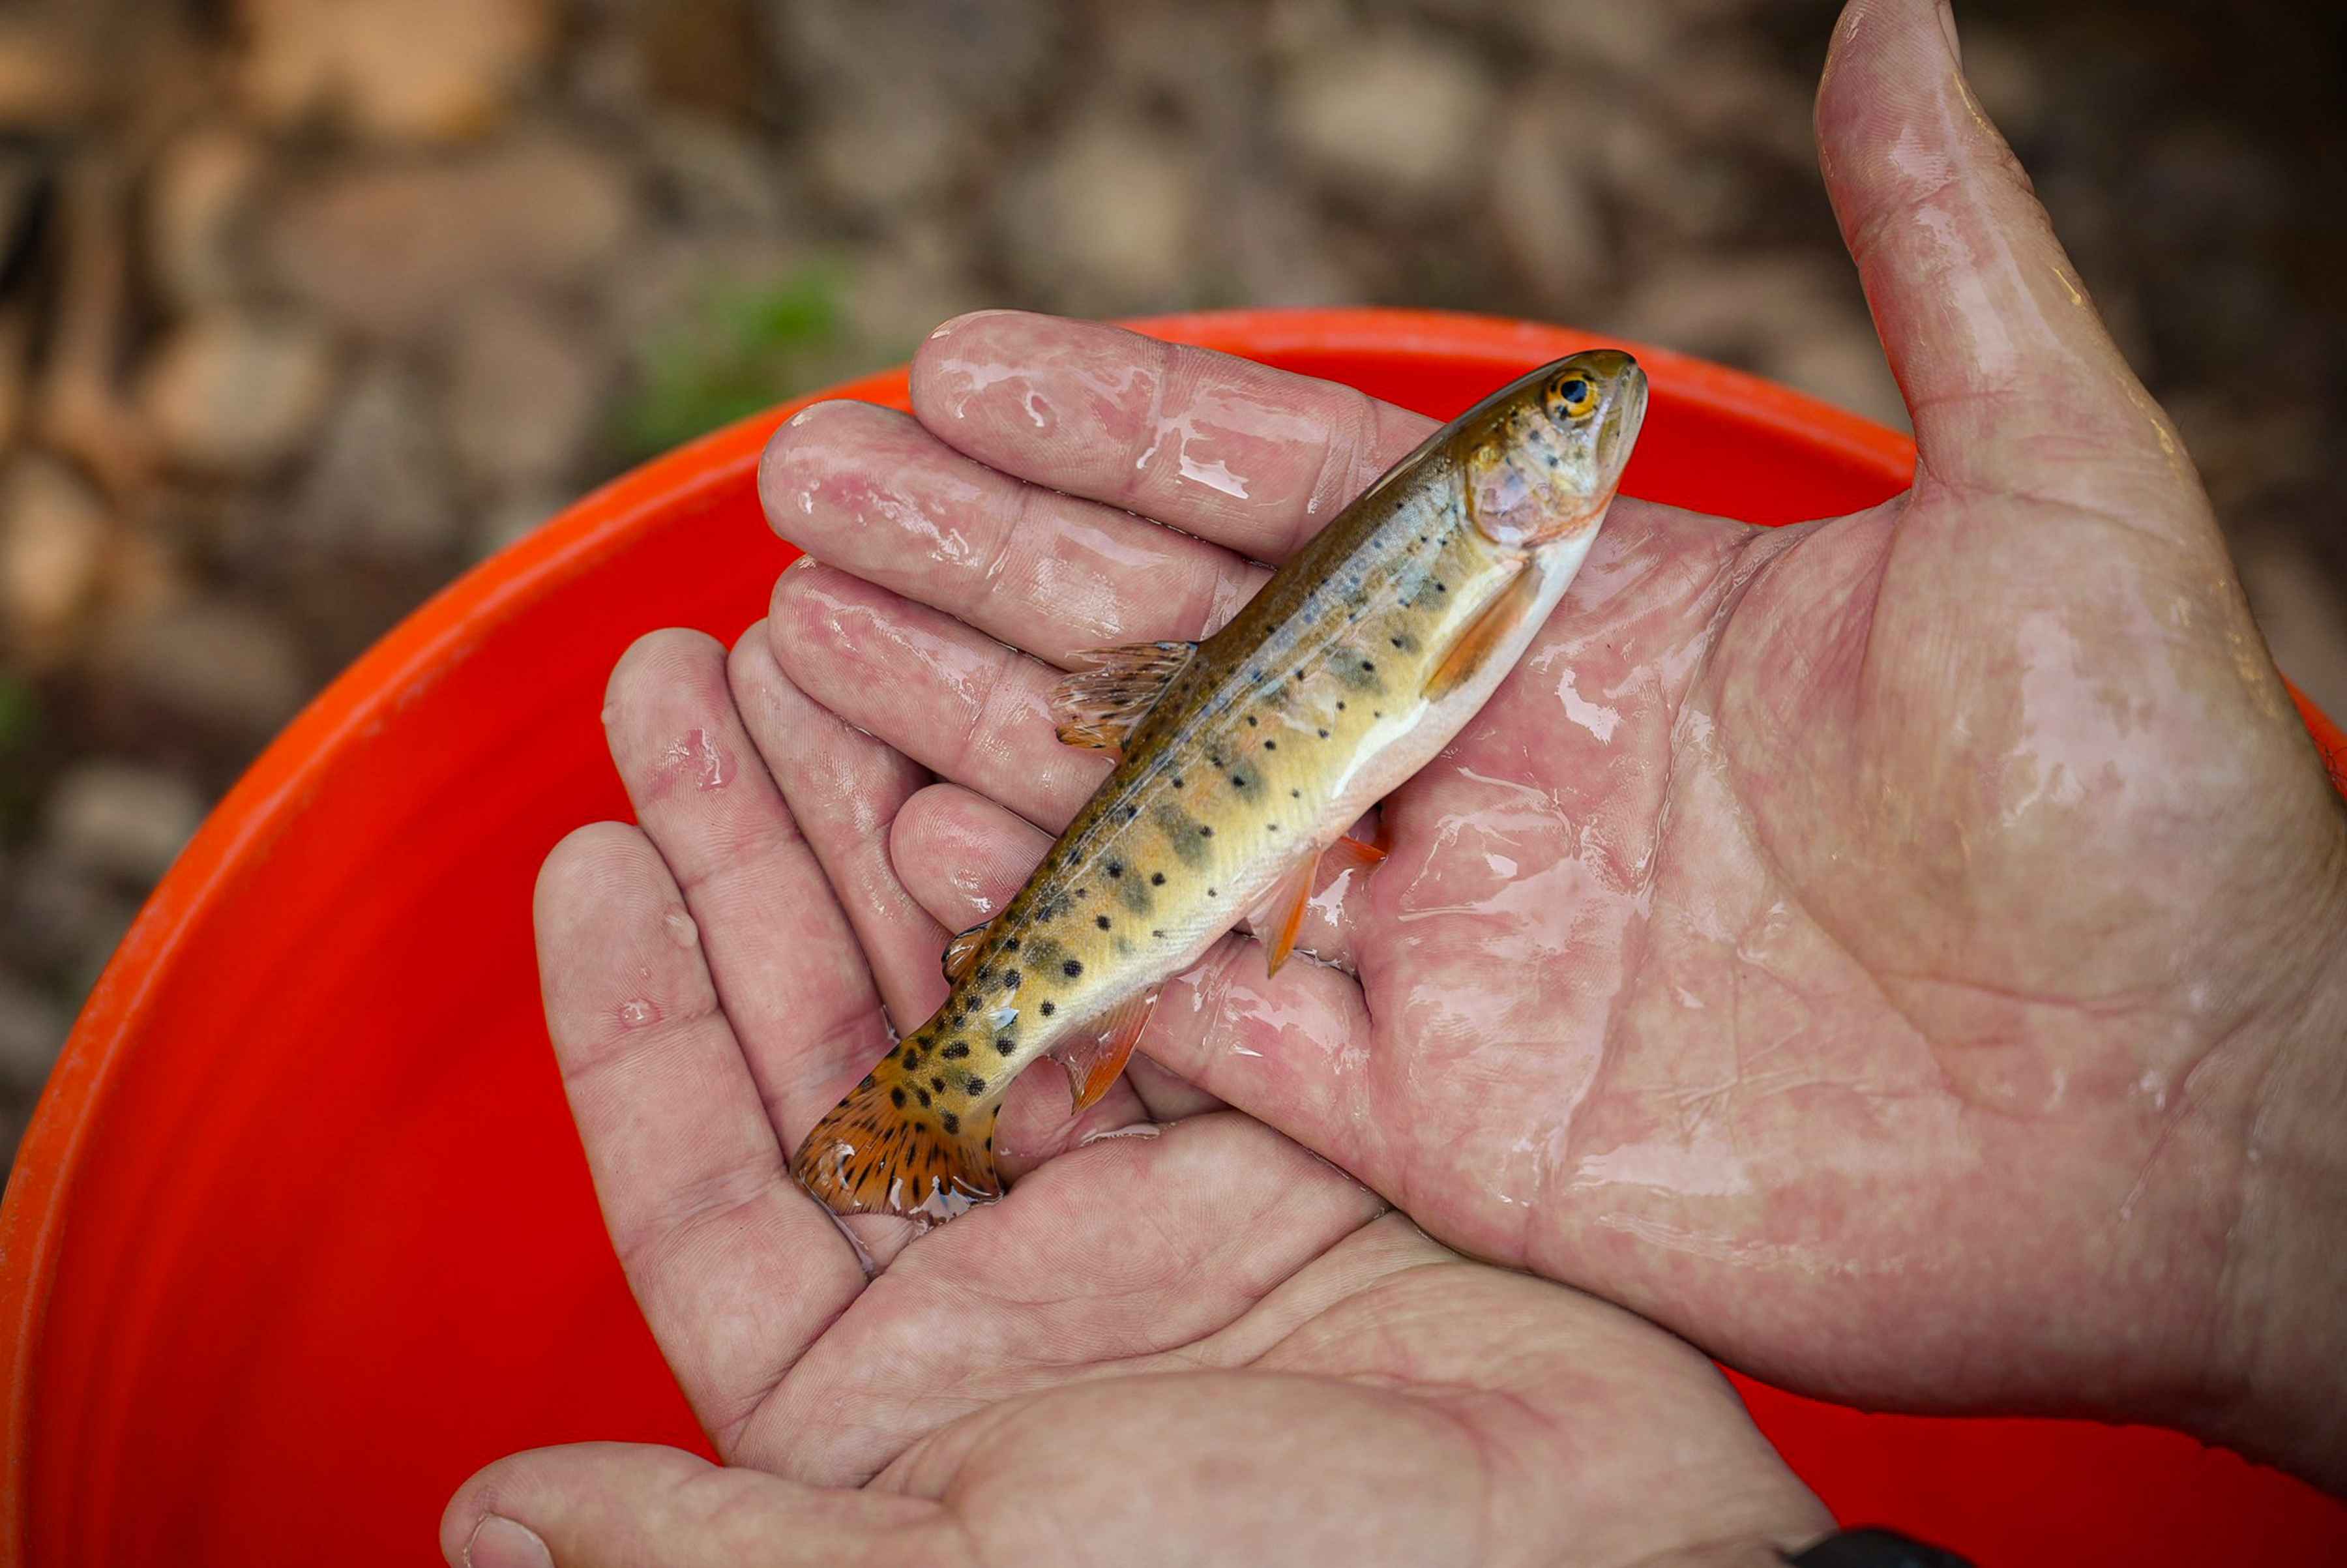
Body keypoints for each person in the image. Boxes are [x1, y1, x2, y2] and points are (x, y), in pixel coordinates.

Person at [442, 1, 2346, 1563]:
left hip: (1180, 869)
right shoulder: (1482, 545)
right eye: (1576, 426)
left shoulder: (1501, 543)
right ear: (1519, 480)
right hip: (1177, 866)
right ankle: (963, 1072)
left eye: (1580, 420)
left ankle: (960, 1072)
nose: (1602, 425)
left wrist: (2262, 1079)